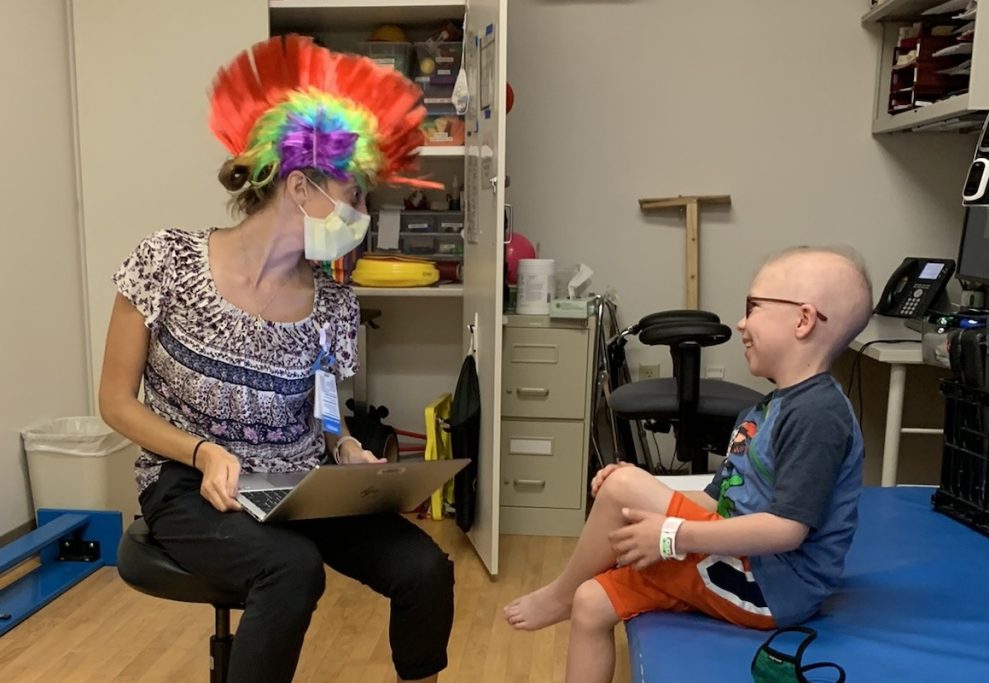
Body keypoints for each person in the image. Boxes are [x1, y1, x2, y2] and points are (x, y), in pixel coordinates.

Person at [98, 35, 451, 683]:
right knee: (290, 568)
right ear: (299, 187)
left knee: (426, 569)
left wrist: (347, 452)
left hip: (296, 483)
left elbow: (323, 410)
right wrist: (203, 451)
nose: (364, 215)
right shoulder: (166, 261)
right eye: (356, 196)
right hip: (185, 481)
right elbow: (114, 402)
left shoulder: (332, 304)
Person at [504, 247, 874, 683]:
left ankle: (558, 596)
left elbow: (786, 530)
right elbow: (717, 500)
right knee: (593, 602)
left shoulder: (818, 414)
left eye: (752, 307)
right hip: (741, 564)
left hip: (772, 586)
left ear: (803, 320)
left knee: (622, 492)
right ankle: (571, 596)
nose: (742, 323)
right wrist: (637, 486)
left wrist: (671, 535)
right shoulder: (766, 409)